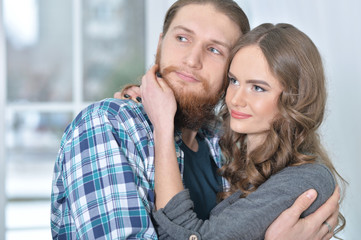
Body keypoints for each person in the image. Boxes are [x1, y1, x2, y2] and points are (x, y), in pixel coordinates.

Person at [51, 0, 340, 239]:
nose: (191, 60)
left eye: (214, 49)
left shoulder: (223, 143)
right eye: (182, 38)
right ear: (160, 45)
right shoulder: (108, 126)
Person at [141, 23, 346, 239]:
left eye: (257, 88)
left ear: (296, 99)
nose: (236, 100)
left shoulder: (307, 179)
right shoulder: (238, 159)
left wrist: (163, 125)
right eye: (234, 81)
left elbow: (192, 236)